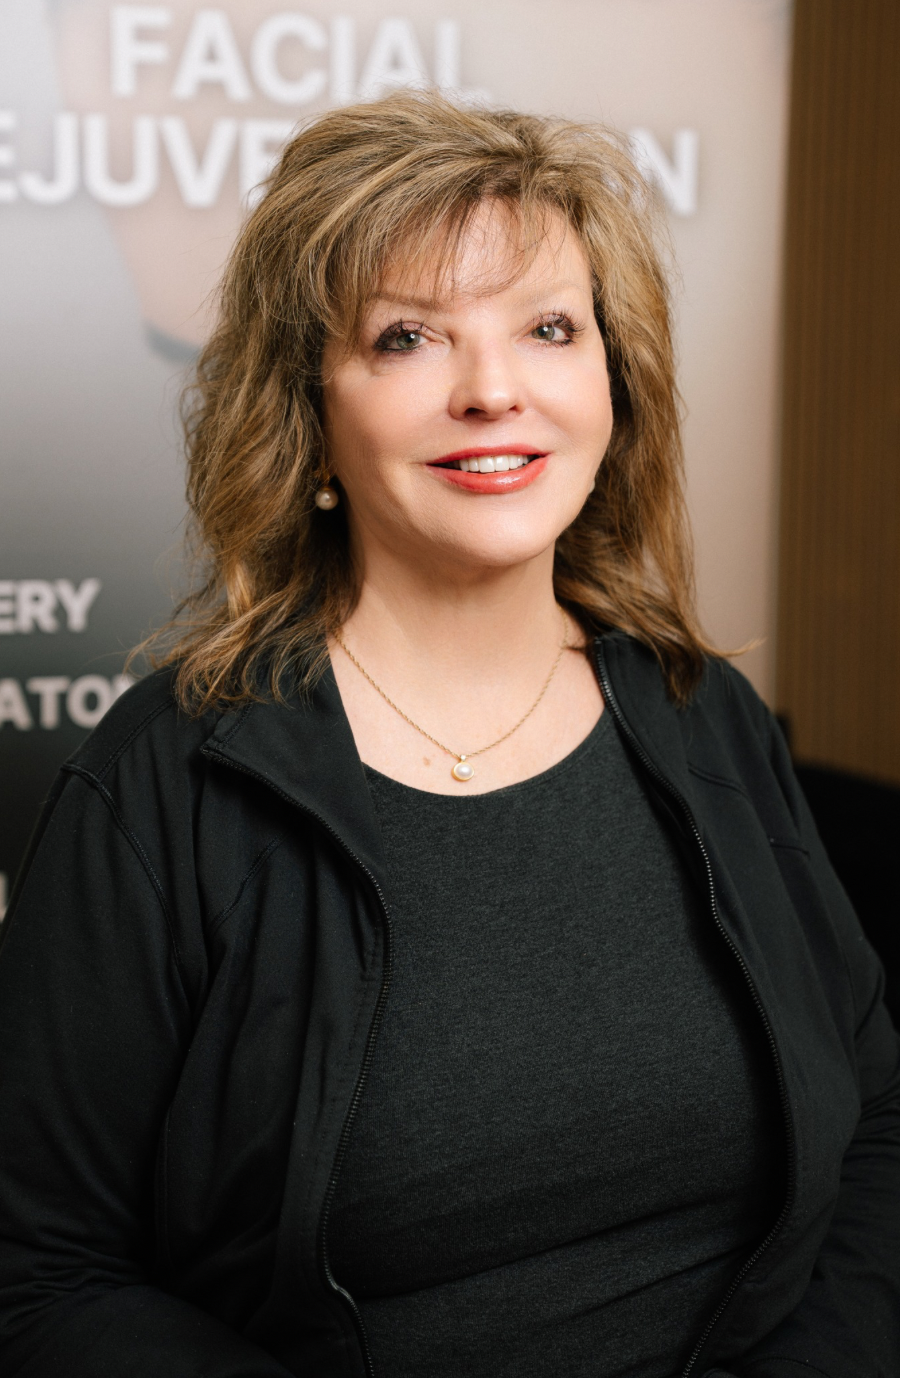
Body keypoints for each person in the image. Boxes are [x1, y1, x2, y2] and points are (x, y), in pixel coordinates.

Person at [0, 92, 897, 1378]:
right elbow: (39, 1275)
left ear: (612, 387)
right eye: (409, 338)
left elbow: (876, 1125)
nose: (494, 390)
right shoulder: (166, 784)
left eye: (547, 327)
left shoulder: (707, 722)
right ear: (310, 423)